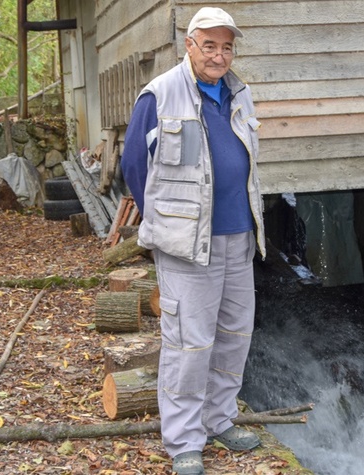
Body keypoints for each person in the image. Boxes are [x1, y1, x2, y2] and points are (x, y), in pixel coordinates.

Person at [120, 6, 266, 475]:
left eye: (227, 47)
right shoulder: (159, 94)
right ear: (189, 45)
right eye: (210, 45)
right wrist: (166, 223)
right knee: (188, 344)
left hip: (239, 239)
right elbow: (134, 167)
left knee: (233, 337)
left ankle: (219, 418)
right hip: (187, 246)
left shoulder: (239, 94)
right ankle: (184, 440)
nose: (219, 56)